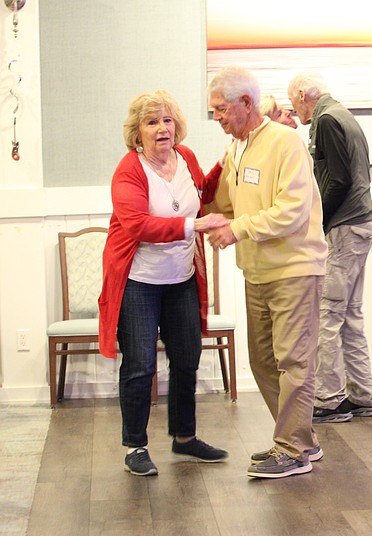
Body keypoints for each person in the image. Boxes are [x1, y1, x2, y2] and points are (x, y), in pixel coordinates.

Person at [202, 66, 328, 478]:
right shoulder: (234, 149)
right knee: (263, 362)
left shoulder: (286, 141)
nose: (216, 116)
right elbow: (224, 202)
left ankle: (289, 448)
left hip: (294, 268)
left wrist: (235, 229)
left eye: (221, 109)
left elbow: (291, 213)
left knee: (293, 361)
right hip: (255, 272)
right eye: (213, 110)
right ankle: (300, 440)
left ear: (246, 104)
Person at [98, 90, 229, 476]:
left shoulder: (185, 158)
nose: (162, 129)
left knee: (187, 357)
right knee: (140, 365)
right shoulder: (129, 170)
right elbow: (137, 224)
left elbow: (204, 191)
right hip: (139, 281)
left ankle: (184, 438)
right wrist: (194, 225)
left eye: (167, 120)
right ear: (137, 132)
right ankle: (135, 446)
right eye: (152, 122)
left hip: (181, 278)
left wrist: (229, 158)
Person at [287, 71, 372, 424]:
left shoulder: (325, 120)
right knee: (350, 316)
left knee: (327, 315)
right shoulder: (342, 114)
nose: (295, 113)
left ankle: (330, 399)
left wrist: (316, 220)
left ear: (301, 94)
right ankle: (365, 394)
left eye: (294, 104)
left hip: (345, 227)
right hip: (361, 223)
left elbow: (337, 180)